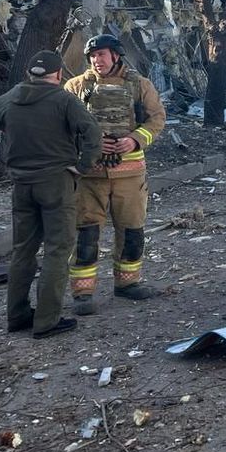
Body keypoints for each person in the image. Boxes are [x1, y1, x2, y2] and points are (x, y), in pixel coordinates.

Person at [0, 50, 101, 339]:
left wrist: (2, 138)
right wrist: (81, 166)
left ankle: (17, 316)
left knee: (23, 251)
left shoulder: (12, 97)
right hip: (56, 182)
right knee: (57, 249)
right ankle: (46, 321)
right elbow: (92, 133)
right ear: (58, 75)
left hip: (21, 185)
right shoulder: (65, 100)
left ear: (30, 73)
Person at [65, 34, 166, 314]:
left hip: (130, 176)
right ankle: (82, 293)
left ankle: (127, 284)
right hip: (90, 178)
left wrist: (135, 139)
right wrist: (89, 144)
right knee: (86, 234)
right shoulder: (74, 87)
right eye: (93, 56)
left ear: (116, 56)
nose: (98, 60)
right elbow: (63, 125)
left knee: (132, 231)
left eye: (102, 55)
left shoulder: (139, 85)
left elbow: (157, 118)